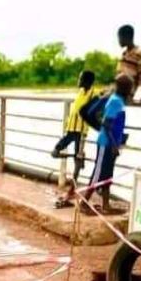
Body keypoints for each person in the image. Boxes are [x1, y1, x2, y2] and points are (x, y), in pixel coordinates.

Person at [82, 74, 134, 214]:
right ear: (125, 88)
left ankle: (106, 204)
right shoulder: (115, 101)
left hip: (112, 143)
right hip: (106, 143)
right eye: (130, 87)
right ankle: (84, 202)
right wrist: (114, 145)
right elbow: (106, 123)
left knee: (108, 175)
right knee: (98, 173)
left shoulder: (119, 100)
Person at [51, 70, 96, 207]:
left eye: (80, 79)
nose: (78, 81)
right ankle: (73, 179)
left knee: (77, 158)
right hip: (71, 129)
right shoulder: (81, 93)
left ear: (87, 81)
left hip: (81, 132)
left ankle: (72, 188)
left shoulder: (92, 94)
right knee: (57, 151)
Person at [117, 24, 141, 101]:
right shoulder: (124, 54)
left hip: (126, 93)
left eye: (119, 38)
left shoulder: (139, 53)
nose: (118, 41)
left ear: (127, 37)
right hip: (117, 90)